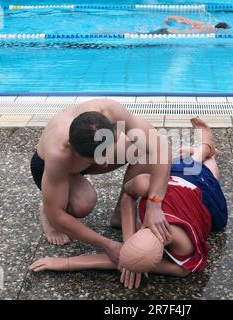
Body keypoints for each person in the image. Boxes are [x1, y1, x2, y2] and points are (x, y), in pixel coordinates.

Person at [29, 118, 228, 289]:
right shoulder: (144, 185)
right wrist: (129, 245)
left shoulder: (183, 256)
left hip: (202, 195)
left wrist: (66, 263)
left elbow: (114, 261)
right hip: (178, 186)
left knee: (208, 170)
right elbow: (127, 198)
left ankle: (204, 149)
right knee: (197, 167)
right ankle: (203, 149)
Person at [30, 99, 173, 265]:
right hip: (51, 168)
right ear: (72, 147)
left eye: (106, 153)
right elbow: (58, 215)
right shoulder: (58, 153)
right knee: (82, 204)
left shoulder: (112, 112)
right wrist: (107, 245)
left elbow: (162, 148)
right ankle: (46, 207)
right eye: (97, 159)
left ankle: (120, 213)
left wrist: (155, 205)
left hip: (83, 155)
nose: (105, 162)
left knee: (146, 148)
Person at [151, 15, 230, 34]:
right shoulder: (208, 31)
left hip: (166, 30)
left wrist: (169, 17)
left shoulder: (202, 24)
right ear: (221, 29)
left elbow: (185, 20)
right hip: (167, 33)